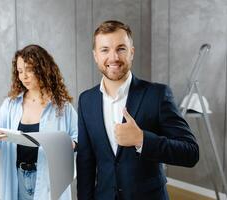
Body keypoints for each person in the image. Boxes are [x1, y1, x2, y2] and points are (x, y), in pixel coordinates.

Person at [77, 20, 199, 200]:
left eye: (121, 48)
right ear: (95, 55)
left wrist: (142, 139)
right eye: (105, 50)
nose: (114, 57)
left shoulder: (157, 95)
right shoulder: (86, 100)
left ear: (131, 52)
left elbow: (190, 152)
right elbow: (85, 162)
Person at [0, 44, 77, 200]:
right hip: (18, 179)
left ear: (43, 69)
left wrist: (70, 145)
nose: (24, 76)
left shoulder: (63, 107)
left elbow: (80, 140)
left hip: (48, 180)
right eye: (20, 71)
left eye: (29, 70)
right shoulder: (10, 105)